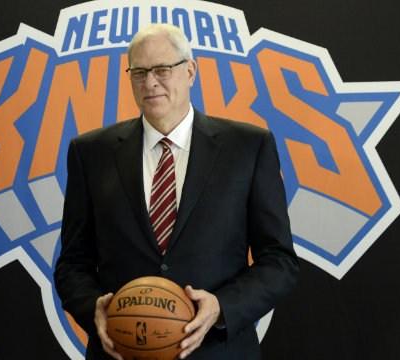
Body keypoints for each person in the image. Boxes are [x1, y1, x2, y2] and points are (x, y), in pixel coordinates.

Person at [54, 23, 299, 360]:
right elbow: (72, 264)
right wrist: (92, 308)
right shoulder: (90, 152)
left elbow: (279, 261)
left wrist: (221, 308)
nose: (150, 82)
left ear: (190, 71)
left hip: (219, 351)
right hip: (122, 353)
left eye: (162, 69)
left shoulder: (249, 147)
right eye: (138, 72)